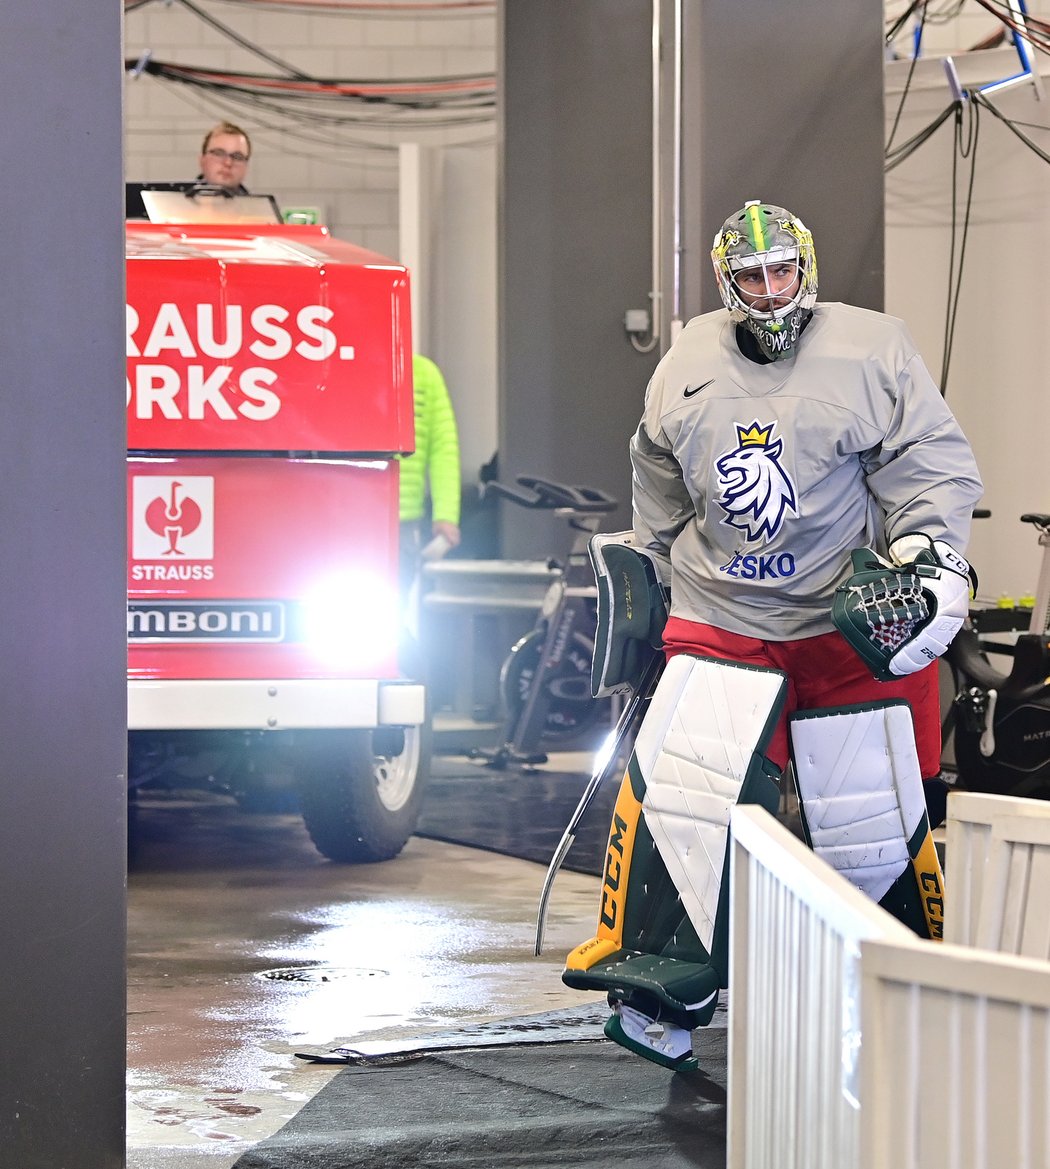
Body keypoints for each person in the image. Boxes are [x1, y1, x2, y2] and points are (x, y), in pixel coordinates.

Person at [561, 199, 984, 1070]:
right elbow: (657, 476)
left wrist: (926, 551)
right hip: (723, 611)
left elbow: (927, 462)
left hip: (844, 615)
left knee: (867, 812)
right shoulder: (685, 363)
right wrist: (648, 566)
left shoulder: (874, 349)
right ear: (727, 284)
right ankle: (666, 983)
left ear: (809, 269)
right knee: (684, 794)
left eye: (782, 271)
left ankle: (891, 987)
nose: (769, 290)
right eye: (750, 277)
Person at [398, 353, 462, 609]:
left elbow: (443, 449)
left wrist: (446, 514)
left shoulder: (424, 373)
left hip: (402, 523)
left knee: (391, 615)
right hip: (344, 518)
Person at [195, 121, 252, 193]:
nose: (228, 163)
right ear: (202, 160)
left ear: (246, 167)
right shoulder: (178, 202)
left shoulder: (259, 204)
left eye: (237, 157)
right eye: (219, 153)